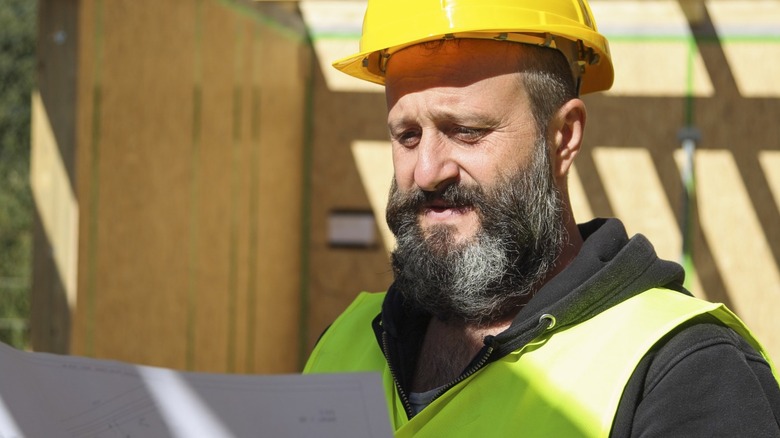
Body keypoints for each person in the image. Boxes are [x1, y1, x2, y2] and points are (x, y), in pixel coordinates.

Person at [304, 0, 780, 436]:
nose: (427, 171)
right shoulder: (349, 337)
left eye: (466, 132)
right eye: (407, 135)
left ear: (564, 136)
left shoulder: (686, 373)